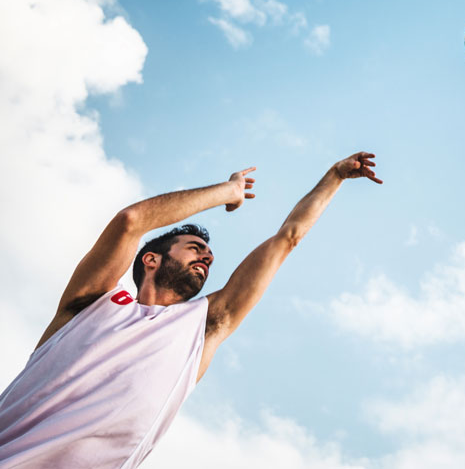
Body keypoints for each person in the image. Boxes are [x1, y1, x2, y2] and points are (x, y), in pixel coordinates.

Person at [0, 152, 382, 468]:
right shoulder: (90, 303)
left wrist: (334, 177)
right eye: (195, 248)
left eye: (209, 255)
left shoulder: (202, 327)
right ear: (151, 259)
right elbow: (130, 221)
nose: (208, 257)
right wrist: (229, 191)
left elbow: (288, 238)